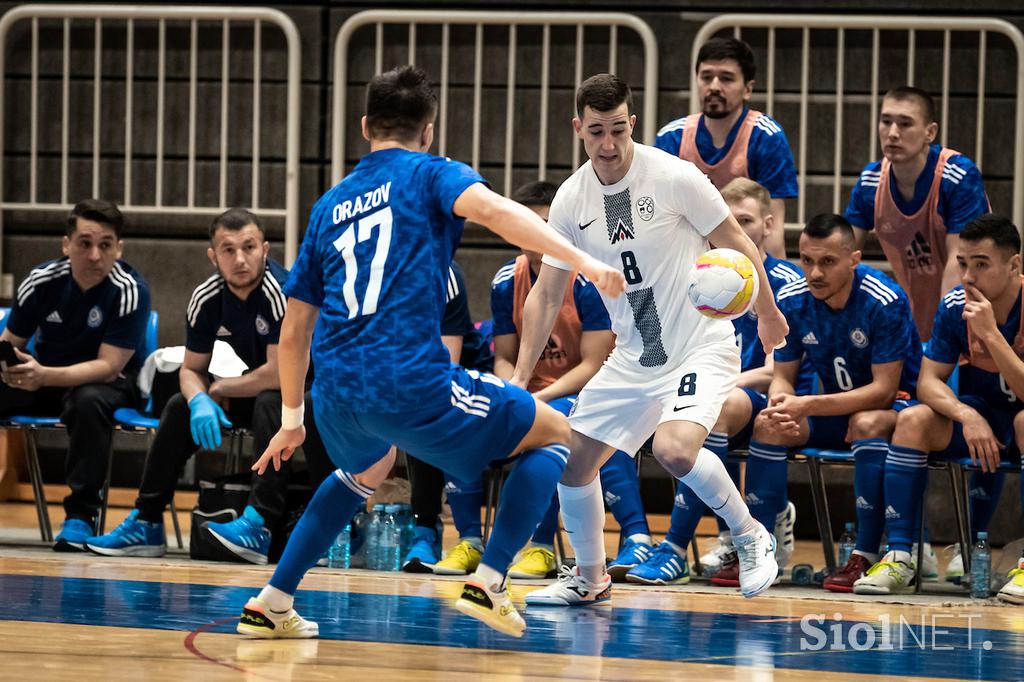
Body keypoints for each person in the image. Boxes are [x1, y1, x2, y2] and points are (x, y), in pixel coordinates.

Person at [233, 65, 625, 640]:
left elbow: (294, 332)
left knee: (368, 466)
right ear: (430, 130)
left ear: (366, 126)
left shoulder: (329, 203)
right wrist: (583, 260)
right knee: (557, 434)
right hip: (408, 380)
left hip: (334, 393)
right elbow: (498, 212)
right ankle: (491, 580)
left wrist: (292, 419)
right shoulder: (431, 174)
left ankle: (271, 600)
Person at [515, 73, 788, 609]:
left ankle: (751, 535)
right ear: (578, 130)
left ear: (632, 123)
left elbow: (733, 239)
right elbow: (547, 294)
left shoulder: (673, 175)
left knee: (673, 449)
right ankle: (590, 578)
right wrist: (521, 380)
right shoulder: (571, 199)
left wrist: (768, 311)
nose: (610, 144)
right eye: (597, 132)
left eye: (619, 128)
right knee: (574, 462)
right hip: (634, 355)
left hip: (698, 343)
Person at [426, 180, 652, 581]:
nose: (537, 235)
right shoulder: (504, 281)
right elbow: (505, 357)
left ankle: (544, 545)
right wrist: (509, 389)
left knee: (553, 427)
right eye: (528, 225)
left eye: (546, 224)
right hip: (532, 389)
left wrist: (537, 397)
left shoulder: (586, 280)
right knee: (463, 417)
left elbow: (595, 363)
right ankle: (469, 540)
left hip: (586, 390)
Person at [85, 208, 334, 563]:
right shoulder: (206, 297)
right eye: (228, 250)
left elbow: (280, 373)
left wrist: (220, 390)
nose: (240, 259)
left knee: (268, 401)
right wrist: (201, 399)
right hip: (254, 388)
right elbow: (191, 369)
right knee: (178, 405)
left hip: (305, 391)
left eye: (248, 247)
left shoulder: (283, 290)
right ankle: (147, 521)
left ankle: (258, 524)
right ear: (212, 256)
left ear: (265, 249)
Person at [626, 178, 811, 585]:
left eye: (746, 220)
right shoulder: (700, 276)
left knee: (718, 407)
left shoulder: (787, 284)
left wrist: (716, 382)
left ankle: (674, 548)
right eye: (729, 220)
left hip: (768, 399)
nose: (737, 230)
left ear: (768, 225)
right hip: (716, 392)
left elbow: (774, 371)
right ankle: (638, 538)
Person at [733, 213, 922, 593]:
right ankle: (758, 546)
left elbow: (884, 390)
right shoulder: (792, 299)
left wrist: (808, 405)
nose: (815, 272)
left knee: (867, 421)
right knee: (770, 423)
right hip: (833, 410)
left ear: (854, 259)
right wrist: (782, 401)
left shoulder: (883, 300)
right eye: (806, 260)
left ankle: (864, 555)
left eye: (827, 262)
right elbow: (783, 375)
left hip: (895, 411)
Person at [853, 214, 1024, 604]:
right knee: (913, 419)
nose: (968, 276)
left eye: (981, 264)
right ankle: (900, 557)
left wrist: (992, 337)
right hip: (981, 414)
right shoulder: (953, 307)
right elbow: (928, 382)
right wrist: (966, 415)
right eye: (963, 264)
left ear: (1014, 265)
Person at [0, 199, 150, 551]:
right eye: (85, 243)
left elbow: (109, 366)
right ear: (66, 245)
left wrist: (42, 375)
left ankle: (81, 516)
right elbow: (10, 342)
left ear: (119, 248)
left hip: (109, 385)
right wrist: (10, 368)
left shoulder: (130, 289)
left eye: (105, 245)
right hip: (44, 375)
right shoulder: (40, 281)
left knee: (87, 401)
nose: (95, 255)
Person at [845, 86, 989, 341]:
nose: (892, 133)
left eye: (905, 124)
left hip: (974, 312)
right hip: (917, 314)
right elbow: (842, 256)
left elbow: (960, 262)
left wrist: (945, 337)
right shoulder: (871, 181)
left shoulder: (957, 176)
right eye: (886, 121)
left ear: (929, 132)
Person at [655, 37, 798, 259]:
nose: (713, 86)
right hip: (686, 262)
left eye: (726, 78)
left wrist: (775, 287)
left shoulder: (767, 137)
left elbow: (773, 231)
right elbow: (660, 223)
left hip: (747, 264)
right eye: (706, 77)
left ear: (748, 89)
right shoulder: (672, 137)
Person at [401, 261, 495, 573]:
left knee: (425, 409)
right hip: (407, 375)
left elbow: (446, 363)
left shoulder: (444, 273)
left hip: (464, 377)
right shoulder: (372, 270)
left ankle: (428, 530)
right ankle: (346, 528)